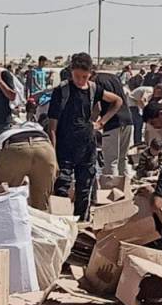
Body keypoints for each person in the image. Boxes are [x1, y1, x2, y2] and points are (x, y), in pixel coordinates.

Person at [48, 52, 123, 220]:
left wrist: (101, 122)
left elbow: (117, 101)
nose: (80, 80)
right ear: (71, 71)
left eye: (84, 76)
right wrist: (53, 154)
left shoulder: (93, 89)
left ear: (90, 74)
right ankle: (61, 223)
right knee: (61, 187)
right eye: (77, 76)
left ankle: (82, 224)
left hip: (87, 147)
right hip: (64, 148)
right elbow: (52, 126)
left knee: (84, 188)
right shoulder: (62, 91)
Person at [0, 122, 57, 210]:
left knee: (2, 197)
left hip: (16, 147)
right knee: (41, 202)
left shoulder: (3, 136)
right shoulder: (42, 134)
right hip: (45, 148)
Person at [94, 68, 133, 176]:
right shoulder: (113, 77)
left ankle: (112, 185)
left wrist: (96, 123)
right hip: (127, 120)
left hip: (112, 122)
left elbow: (97, 107)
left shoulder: (96, 82)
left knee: (111, 160)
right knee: (123, 158)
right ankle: (125, 184)